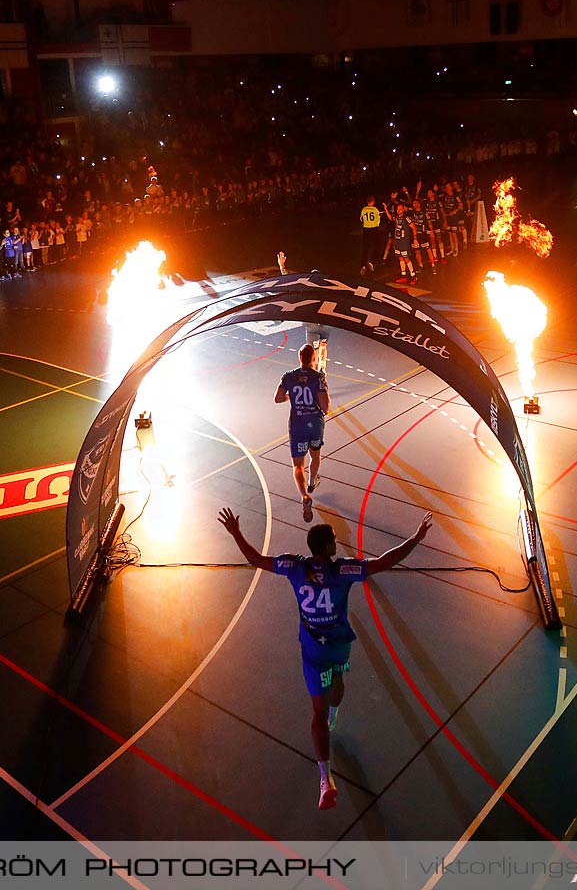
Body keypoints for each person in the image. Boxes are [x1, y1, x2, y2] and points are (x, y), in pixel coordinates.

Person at [216, 506, 434, 811]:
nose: (336, 541)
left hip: (313, 650)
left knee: (316, 711)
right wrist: (417, 537)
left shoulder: (294, 567)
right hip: (338, 645)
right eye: (333, 538)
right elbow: (386, 561)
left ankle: (325, 778)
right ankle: (333, 724)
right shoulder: (342, 570)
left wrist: (236, 532)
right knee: (339, 679)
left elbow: (256, 559)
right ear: (328, 547)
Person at [277, 343, 330, 519]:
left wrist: (290, 396)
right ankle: (313, 481)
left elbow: (277, 399)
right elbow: (326, 407)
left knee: (298, 465)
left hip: (297, 425)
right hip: (314, 425)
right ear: (313, 358)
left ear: (299, 358)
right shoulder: (319, 378)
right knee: (315, 456)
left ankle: (304, 496)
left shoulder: (288, 376)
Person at [358, 196, 382, 275]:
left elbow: (361, 219)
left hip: (366, 229)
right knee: (377, 246)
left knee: (365, 248)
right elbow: (378, 221)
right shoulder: (375, 210)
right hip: (374, 229)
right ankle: (371, 262)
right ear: (373, 201)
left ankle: (363, 266)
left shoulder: (364, 209)